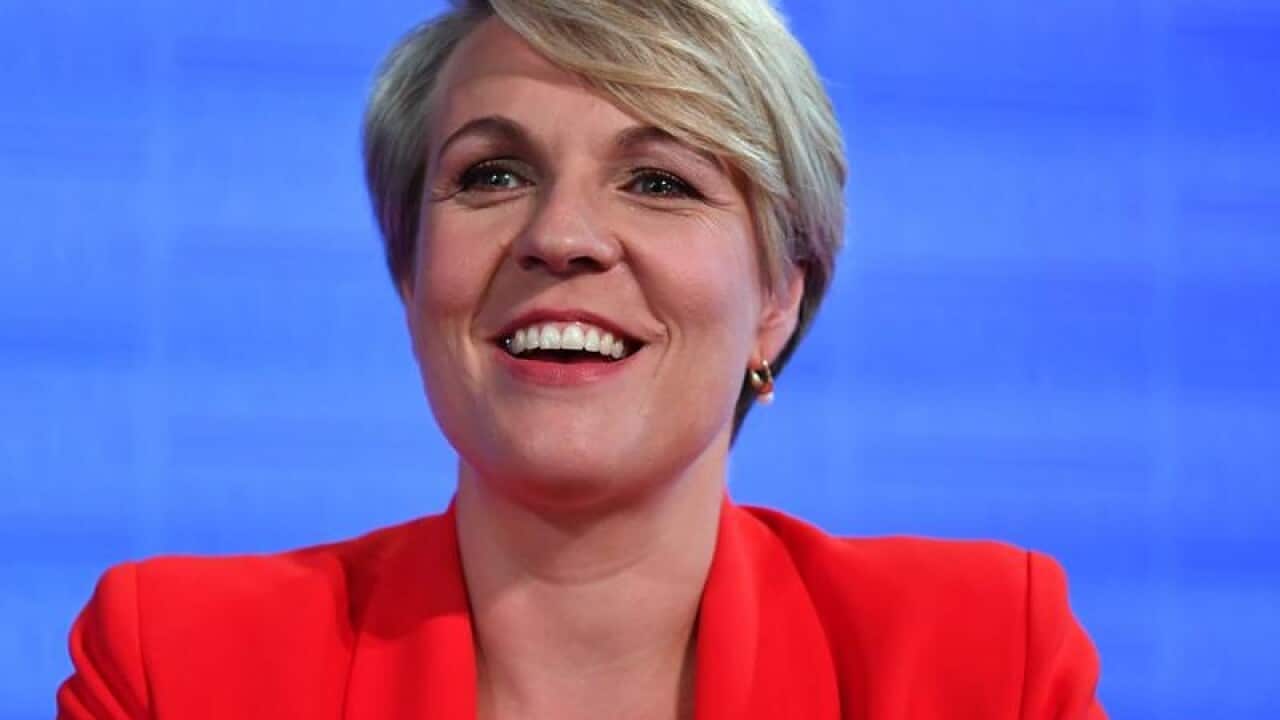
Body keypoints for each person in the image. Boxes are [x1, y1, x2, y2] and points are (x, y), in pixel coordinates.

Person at [57, 1, 1106, 718]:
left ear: (777, 301)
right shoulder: (180, 669)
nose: (560, 236)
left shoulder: (978, 661)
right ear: (410, 273)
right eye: (492, 174)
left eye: (659, 182)